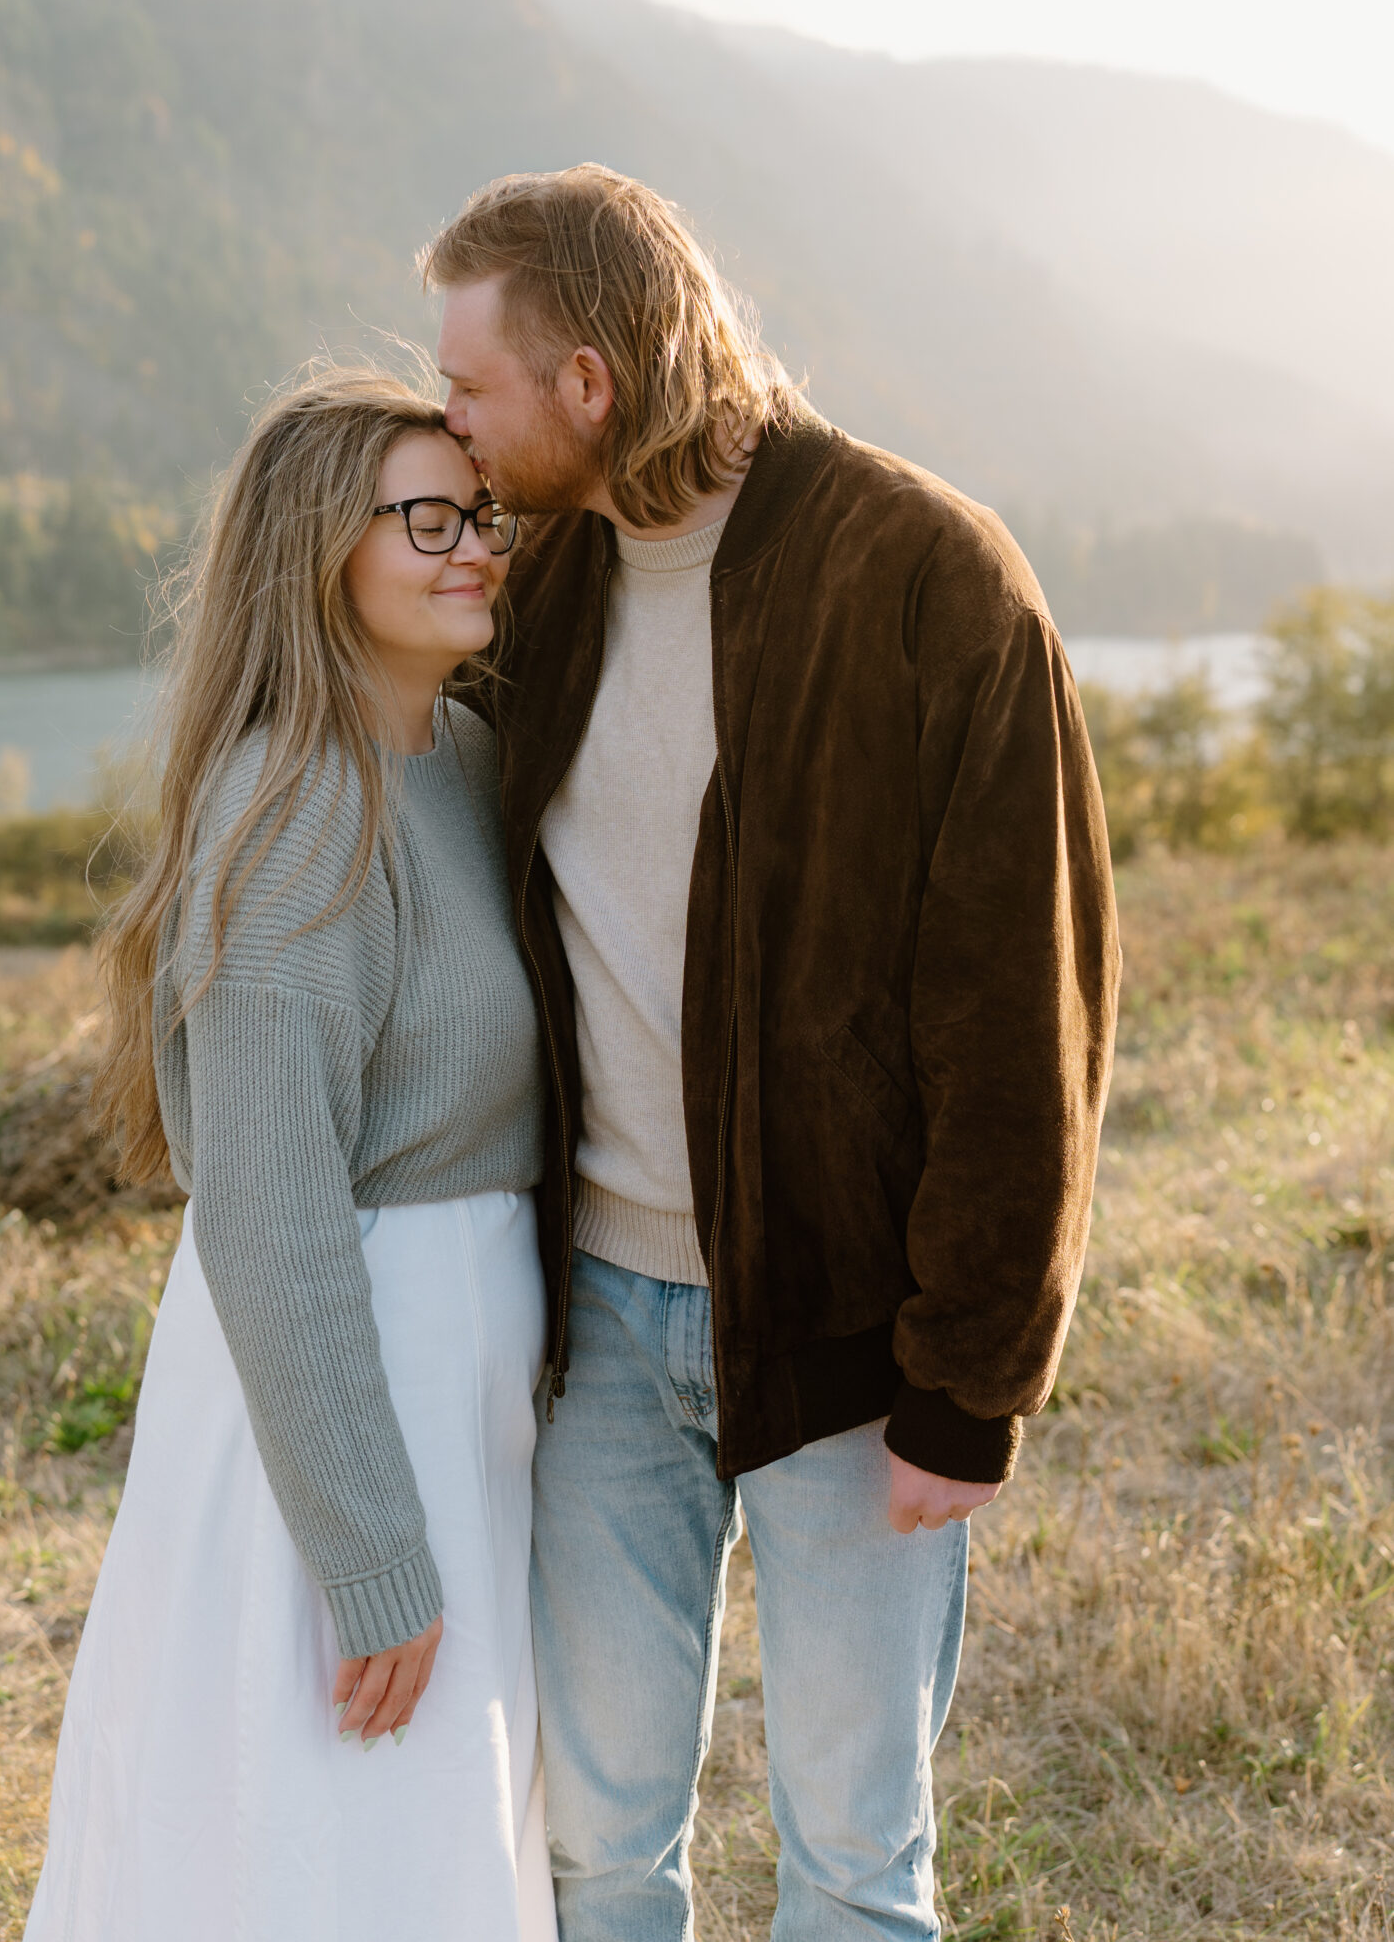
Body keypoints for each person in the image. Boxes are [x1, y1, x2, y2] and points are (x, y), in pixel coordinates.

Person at [422, 167, 1120, 1942]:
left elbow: (1023, 1014)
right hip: (594, 1329)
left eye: (471, 390)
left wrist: (973, 1379)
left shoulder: (929, 580)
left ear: (587, 384)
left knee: (856, 1865)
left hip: (849, 1344)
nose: (452, 427)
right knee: (592, 1853)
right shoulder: (543, 589)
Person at [25, 367, 558, 1942]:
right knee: (322, 1826)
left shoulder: (459, 758)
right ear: (319, 550)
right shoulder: (294, 808)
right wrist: (371, 1545)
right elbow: (267, 1213)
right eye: (428, 519)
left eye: (482, 516)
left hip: (455, 1370)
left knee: (432, 1815)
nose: (475, 547)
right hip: (341, 1390)